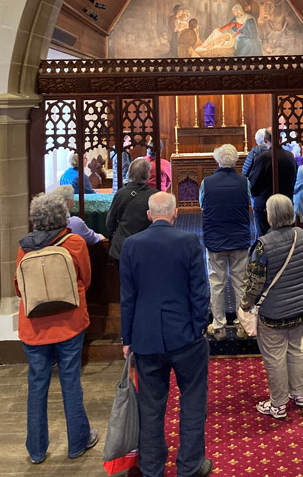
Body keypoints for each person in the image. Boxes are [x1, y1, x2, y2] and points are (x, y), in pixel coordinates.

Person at [120, 192, 212, 477]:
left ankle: (151, 468)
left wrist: (127, 339)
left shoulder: (131, 245)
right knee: (193, 402)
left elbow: (127, 297)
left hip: (146, 338)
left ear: (150, 215)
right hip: (185, 336)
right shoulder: (188, 242)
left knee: (150, 407)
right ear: (175, 214)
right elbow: (200, 291)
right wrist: (198, 326)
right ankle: (189, 466)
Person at [14, 193, 98, 464]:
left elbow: (18, 287)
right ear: (62, 217)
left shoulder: (24, 247)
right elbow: (85, 278)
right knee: (70, 380)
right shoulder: (73, 242)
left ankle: (37, 450)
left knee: (37, 385)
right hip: (69, 324)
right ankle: (78, 442)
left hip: (34, 327)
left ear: (35, 218)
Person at [239, 194, 303, 419]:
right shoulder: (301, 235)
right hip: (301, 306)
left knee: (274, 356)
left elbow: (254, 283)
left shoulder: (264, 245)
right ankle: (299, 394)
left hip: (274, 312)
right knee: (296, 349)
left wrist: (245, 306)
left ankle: (278, 404)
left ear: (271, 215)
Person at [199, 144, 252, 341]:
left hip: (215, 239)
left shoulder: (207, 182)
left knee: (216, 283)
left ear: (217, 161)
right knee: (240, 284)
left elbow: (202, 205)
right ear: (236, 161)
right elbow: (249, 203)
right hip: (239, 238)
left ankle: (219, 326)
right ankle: (242, 325)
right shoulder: (244, 182)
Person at [106, 158, 158, 270]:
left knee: (125, 284)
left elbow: (110, 223)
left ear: (129, 173)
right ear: (147, 175)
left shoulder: (121, 194)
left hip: (122, 248)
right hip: (147, 249)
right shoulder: (155, 196)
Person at [248, 128, 297, 236]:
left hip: (265, 206)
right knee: (285, 237)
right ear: (280, 139)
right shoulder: (290, 157)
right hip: (286, 203)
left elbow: (253, 184)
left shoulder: (263, 159)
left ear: (265, 140)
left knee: (265, 238)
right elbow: (294, 179)